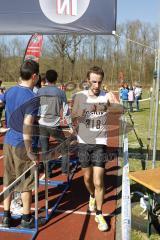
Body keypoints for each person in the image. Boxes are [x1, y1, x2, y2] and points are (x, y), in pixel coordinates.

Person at [72, 66, 120, 232]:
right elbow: (74, 117)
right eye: (93, 81)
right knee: (87, 178)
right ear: (87, 81)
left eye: (99, 82)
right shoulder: (80, 97)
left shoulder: (106, 96)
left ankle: (99, 214)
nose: (96, 85)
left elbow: (118, 111)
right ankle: (92, 195)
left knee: (99, 180)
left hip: (100, 142)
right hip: (84, 142)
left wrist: (114, 104)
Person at [0, 59, 39, 228]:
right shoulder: (32, 97)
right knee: (26, 182)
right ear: (35, 76)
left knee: (9, 179)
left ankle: (6, 216)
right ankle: (26, 218)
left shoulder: (9, 91)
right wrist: (30, 151)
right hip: (22, 144)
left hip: (8, 141)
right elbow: (28, 125)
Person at [37, 69, 73, 178]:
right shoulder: (60, 93)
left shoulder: (39, 91)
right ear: (56, 79)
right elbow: (66, 111)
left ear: (46, 79)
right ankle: (65, 170)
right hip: (53, 124)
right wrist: (70, 125)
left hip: (42, 123)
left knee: (44, 148)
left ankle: (47, 172)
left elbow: (35, 107)